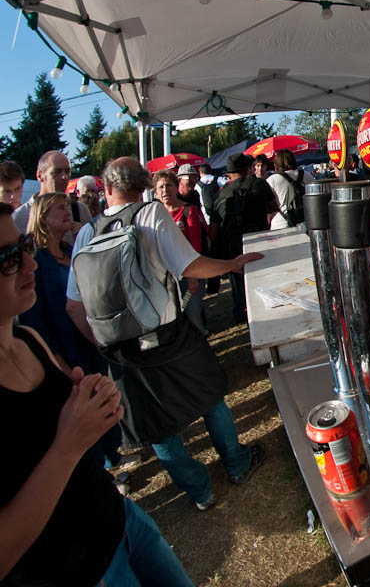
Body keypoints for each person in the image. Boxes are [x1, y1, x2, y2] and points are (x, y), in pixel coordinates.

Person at [0, 202, 194, 586]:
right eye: (8, 258)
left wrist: (92, 400)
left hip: (123, 523)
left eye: (23, 246)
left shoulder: (28, 339)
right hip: (75, 570)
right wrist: (68, 445)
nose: (30, 264)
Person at [67, 158, 267, 512]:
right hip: (168, 334)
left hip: (120, 350)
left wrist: (104, 344)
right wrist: (231, 265)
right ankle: (236, 464)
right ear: (144, 184)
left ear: (107, 188)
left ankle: (200, 492)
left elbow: (73, 306)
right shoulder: (151, 216)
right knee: (210, 397)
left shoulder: (88, 232)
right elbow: (190, 265)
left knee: (157, 428)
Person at [19, 192, 129, 476]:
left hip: (90, 344)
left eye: (68, 207)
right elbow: (36, 323)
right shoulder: (36, 263)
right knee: (82, 410)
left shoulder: (70, 252)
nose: (69, 213)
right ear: (43, 218)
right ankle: (102, 470)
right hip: (66, 354)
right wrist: (60, 365)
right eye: (60, 209)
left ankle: (112, 455)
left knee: (102, 399)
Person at [215, 153, 278, 323]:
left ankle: (241, 314)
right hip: (259, 239)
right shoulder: (260, 184)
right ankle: (266, 308)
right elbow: (274, 207)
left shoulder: (222, 194)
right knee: (264, 275)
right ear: (247, 168)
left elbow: (215, 225)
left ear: (228, 173)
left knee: (237, 280)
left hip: (234, 243)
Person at [154, 169, 209, 336]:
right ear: (155, 192)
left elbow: (195, 246)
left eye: (168, 186)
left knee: (193, 317)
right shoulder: (153, 214)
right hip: (165, 278)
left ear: (176, 187)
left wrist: (192, 277)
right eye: (160, 187)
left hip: (189, 274)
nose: (165, 190)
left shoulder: (188, 211)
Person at [13, 151, 91, 239]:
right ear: (40, 176)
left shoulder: (79, 210)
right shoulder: (19, 217)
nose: (64, 177)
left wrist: (83, 238)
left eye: (67, 171)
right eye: (57, 172)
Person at [266, 150, 313, 230]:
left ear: (276, 163)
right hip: (306, 221)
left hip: (280, 223)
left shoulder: (272, 180)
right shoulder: (307, 175)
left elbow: (268, 204)